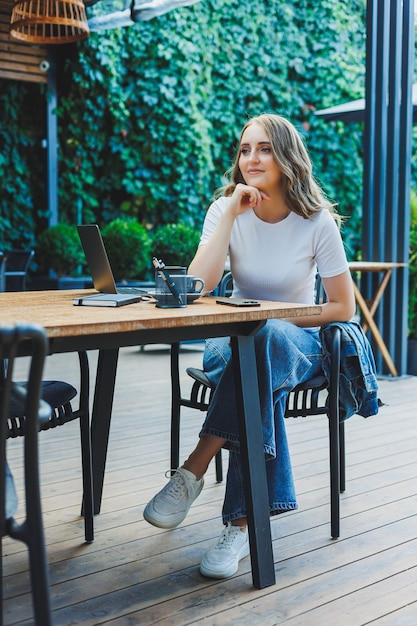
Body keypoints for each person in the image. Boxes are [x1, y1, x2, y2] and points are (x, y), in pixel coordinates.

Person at [143, 113, 356, 579]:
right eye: (244, 149)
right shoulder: (225, 210)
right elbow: (199, 289)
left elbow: (343, 308)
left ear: (286, 157)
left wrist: (272, 317)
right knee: (257, 371)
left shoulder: (316, 221)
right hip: (231, 340)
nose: (252, 158)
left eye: (263, 149)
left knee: (264, 341)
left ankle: (193, 469)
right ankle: (241, 526)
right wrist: (231, 216)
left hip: (295, 343)